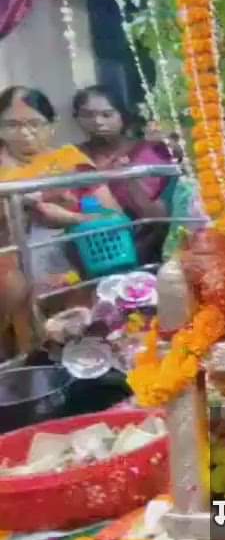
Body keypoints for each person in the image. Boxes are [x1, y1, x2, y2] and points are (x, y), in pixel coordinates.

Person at [0, 86, 119, 354]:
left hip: (71, 271)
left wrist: (70, 217)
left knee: (78, 338)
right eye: (12, 125)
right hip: (10, 283)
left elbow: (115, 218)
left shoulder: (69, 162)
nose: (25, 133)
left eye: (34, 124)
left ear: (51, 126)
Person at [73, 85, 176, 262]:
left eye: (107, 115)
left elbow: (159, 217)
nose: (97, 122)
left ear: (123, 116)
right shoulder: (72, 155)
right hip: (95, 247)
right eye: (87, 115)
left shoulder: (151, 151)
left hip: (150, 244)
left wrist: (130, 180)